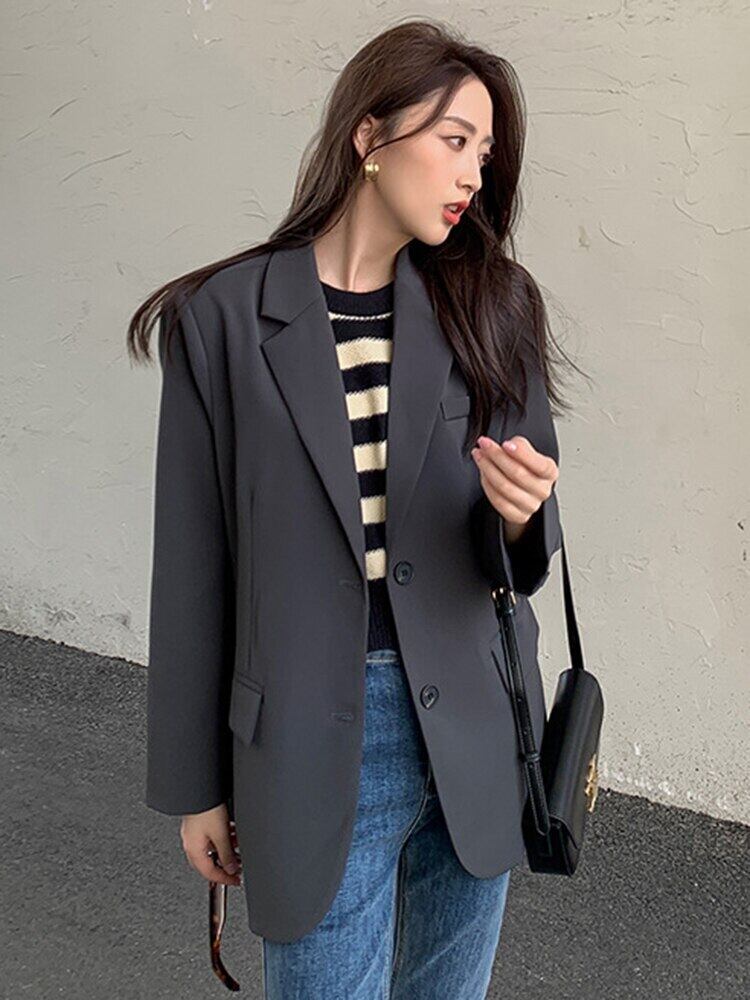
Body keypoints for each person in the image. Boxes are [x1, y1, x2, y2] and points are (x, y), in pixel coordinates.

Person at [128, 17, 582, 999]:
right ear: (369, 135)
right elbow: (193, 567)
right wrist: (196, 786)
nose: (472, 173)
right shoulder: (222, 320)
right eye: (454, 139)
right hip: (309, 734)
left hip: (475, 720)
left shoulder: (495, 304)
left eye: (485, 152)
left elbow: (524, 551)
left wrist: (519, 512)